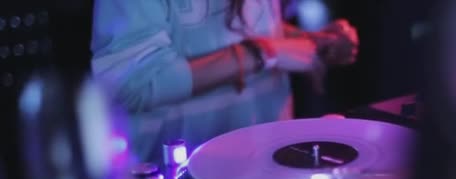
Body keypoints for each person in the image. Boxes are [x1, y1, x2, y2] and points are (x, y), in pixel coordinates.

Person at [90, 0, 359, 161]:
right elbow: (132, 83)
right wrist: (263, 53)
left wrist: (307, 42)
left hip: (267, 170)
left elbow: (243, 27)